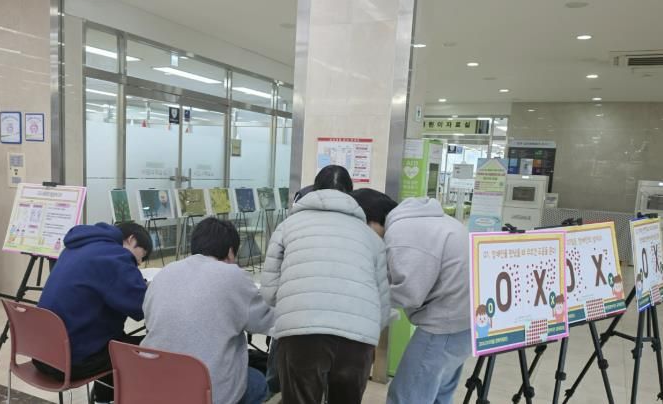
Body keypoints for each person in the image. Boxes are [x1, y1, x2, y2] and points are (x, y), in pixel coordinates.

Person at [261, 165, 390, 404]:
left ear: (315, 189)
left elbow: (269, 291)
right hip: (357, 338)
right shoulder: (370, 237)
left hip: (300, 334)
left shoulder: (287, 227)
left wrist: (295, 302)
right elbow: (383, 302)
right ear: (350, 194)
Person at [142, 218, 274, 404]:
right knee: (258, 382)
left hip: (154, 386)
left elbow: (149, 319)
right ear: (230, 251)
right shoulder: (232, 275)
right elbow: (266, 321)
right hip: (205, 392)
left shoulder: (164, 273)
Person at [34, 222, 151, 403]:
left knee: (114, 340)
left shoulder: (74, 247)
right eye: (138, 258)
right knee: (150, 347)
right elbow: (141, 307)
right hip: (70, 363)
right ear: (131, 239)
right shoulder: (115, 256)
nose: (137, 265)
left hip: (42, 354)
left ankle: (102, 399)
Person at [384, 197, 471, 404]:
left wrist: (371, 295)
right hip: (469, 321)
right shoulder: (438, 221)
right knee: (440, 392)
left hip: (444, 324)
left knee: (407, 396)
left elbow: (410, 293)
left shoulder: (400, 231)